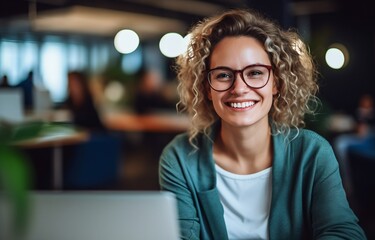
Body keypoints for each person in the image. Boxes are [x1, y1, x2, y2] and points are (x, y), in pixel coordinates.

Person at [159, 9, 366, 239]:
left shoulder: (313, 152)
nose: (238, 88)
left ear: (276, 83)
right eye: (223, 75)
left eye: (255, 72)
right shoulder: (180, 157)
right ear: (206, 88)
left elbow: (344, 233)